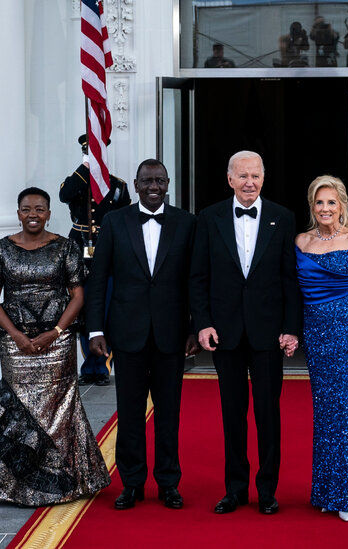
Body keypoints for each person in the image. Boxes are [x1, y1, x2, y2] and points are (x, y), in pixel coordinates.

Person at [0, 187, 110, 506]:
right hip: (14, 341)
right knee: (21, 407)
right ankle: (17, 486)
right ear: (18, 213)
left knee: (59, 409)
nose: (32, 214)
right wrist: (16, 335)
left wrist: (57, 331)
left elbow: (78, 295)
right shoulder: (0, 248)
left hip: (58, 341)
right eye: (26, 209)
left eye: (39, 209)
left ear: (49, 213)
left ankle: (63, 482)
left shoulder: (65, 247)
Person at [189, 150, 301, 515]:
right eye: (242, 176)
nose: (249, 182)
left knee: (269, 414)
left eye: (255, 176)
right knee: (231, 414)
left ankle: (267, 491)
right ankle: (235, 490)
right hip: (226, 333)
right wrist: (202, 323)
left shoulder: (283, 219)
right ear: (229, 179)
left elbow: (291, 280)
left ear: (263, 178)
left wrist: (290, 328)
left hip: (269, 334)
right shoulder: (208, 218)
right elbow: (199, 277)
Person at [85, 159, 198, 510]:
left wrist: (195, 326)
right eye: (147, 180)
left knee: (169, 413)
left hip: (172, 334)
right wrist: (95, 329)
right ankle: (131, 483)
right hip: (126, 333)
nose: (153, 186)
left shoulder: (187, 223)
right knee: (129, 412)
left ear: (168, 184)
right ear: (135, 184)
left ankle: (168, 483)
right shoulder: (114, 221)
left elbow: (196, 280)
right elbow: (98, 279)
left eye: (159, 180)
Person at [294, 175, 348, 522]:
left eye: (331, 202)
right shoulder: (301, 241)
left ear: (341, 205)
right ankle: (328, 491)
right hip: (316, 334)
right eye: (319, 202)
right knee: (325, 412)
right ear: (312, 206)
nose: (325, 208)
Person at [58, 134, 131, 387]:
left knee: (107, 308)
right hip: (79, 250)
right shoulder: (75, 182)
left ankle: (102, 366)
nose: (92, 157)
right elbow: (64, 195)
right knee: (84, 310)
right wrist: (86, 167)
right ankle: (90, 366)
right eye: (88, 153)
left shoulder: (117, 185)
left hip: (108, 250)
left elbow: (125, 218)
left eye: (97, 153)